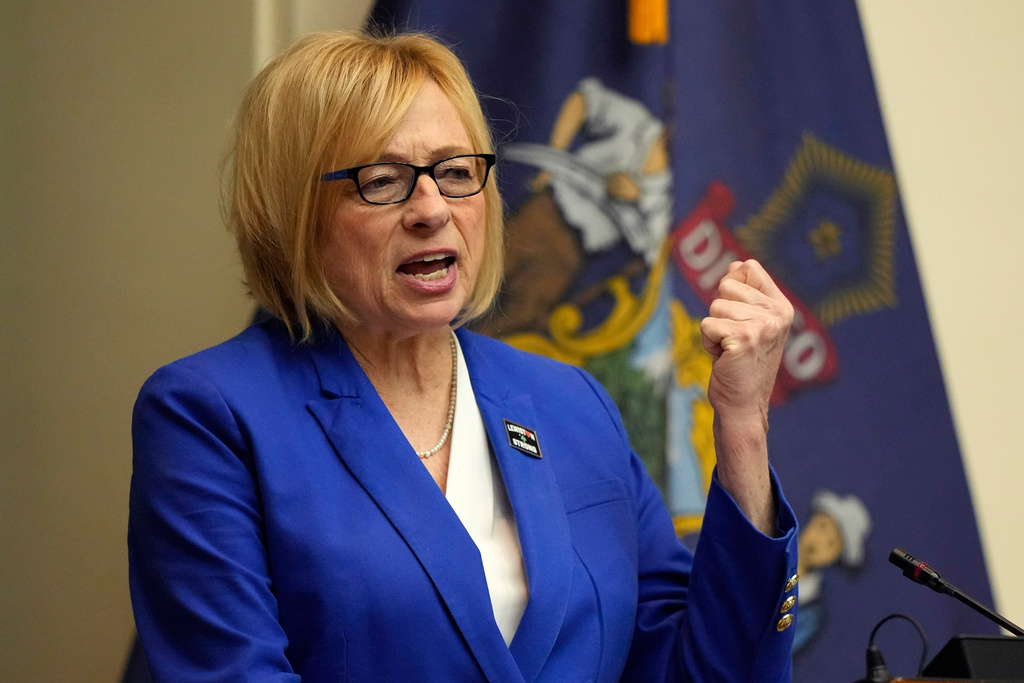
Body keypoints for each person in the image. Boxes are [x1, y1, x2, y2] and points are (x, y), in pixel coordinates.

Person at [128, 30, 799, 682]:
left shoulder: (571, 402)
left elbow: (706, 671)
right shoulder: (209, 415)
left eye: (454, 172)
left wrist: (741, 422)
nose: (432, 208)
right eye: (384, 180)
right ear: (293, 212)